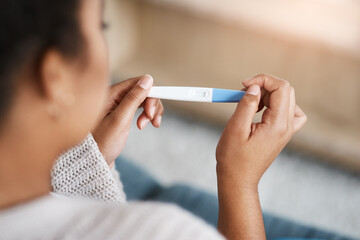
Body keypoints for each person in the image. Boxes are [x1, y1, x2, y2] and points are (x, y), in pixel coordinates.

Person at [0, 0, 352, 239]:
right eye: (101, 26)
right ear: (55, 76)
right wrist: (239, 179)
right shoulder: (163, 229)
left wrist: (83, 159)